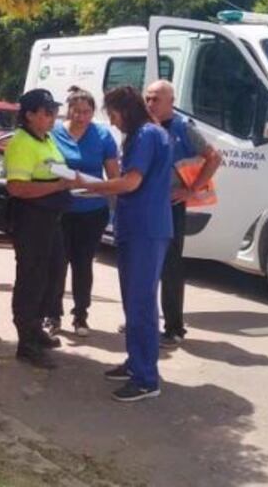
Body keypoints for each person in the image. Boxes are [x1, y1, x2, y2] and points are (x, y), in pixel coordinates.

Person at [80, 86, 173, 402]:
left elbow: (131, 181)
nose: (114, 122)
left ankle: (146, 379)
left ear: (126, 110)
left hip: (145, 229)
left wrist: (90, 185)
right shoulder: (145, 134)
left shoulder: (147, 135)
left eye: (114, 114)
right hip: (138, 228)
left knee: (141, 304)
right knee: (135, 302)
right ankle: (137, 363)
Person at [144, 80, 221, 348]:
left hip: (171, 207)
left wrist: (192, 191)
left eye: (156, 99)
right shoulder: (145, 126)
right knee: (145, 266)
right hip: (145, 205)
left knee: (171, 267)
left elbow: (214, 157)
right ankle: (145, 319)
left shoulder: (183, 128)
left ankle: (174, 327)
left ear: (170, 101)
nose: (151, 103)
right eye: (148, 98)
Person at [4, 88, 76, 369]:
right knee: (31, 278)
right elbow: (16, 187)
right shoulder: (22, 142)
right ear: (30, 115)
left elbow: (55, 169)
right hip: (31, 220)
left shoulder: (46, 139)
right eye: (46, 112)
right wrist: (58, 186)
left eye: (54, 112)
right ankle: (26, 342)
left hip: (51, 219)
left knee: (52, 272)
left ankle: (35, 328)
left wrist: (70, 180)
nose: (52, 117)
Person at [43, 86, 119, 338]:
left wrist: (99, 189)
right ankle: (52, 315)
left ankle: (81, 315)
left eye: (86, 112)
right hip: (60, 209)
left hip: (92, 210)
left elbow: (114, 176)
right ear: (68, 111)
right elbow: (44, 167)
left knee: (82, 264)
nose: (81, 117)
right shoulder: (53, 134)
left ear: (93, 113)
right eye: (76, 111)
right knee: (56, 263)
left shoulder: (103, 135)